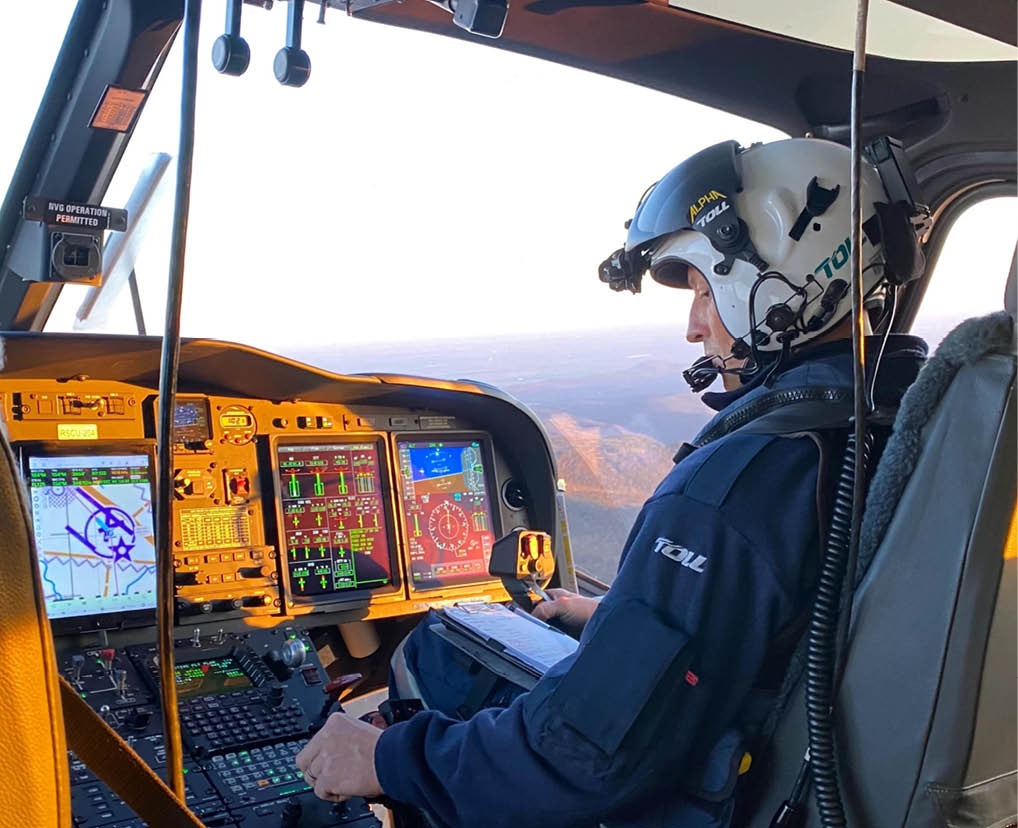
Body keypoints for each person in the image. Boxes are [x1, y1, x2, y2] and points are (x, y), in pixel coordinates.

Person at [295, 138, 928, 827]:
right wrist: (619, 613)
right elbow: (778, 625)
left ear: (777, 283)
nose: (694, 328)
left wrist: (385, 759)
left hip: (722, 801)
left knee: (432, 664)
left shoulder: (735, 489)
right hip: (817, 778)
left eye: (702, 291)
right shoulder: (902, 424)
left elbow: (579, 758)